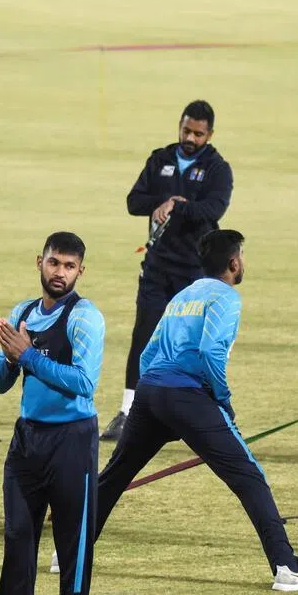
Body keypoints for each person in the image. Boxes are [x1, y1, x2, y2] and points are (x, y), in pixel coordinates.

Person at [93, 230, 298, 592]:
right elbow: (210, 352)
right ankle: (286, 566)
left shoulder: (182, 296)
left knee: (115, 474)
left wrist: (156, 406)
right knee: (248, 476)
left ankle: (68, 553)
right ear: (234, 262)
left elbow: (147, 353)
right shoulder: (226, 298)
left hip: (150, 390)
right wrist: (223, 401)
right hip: (187, 395)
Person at [0, 232, 104, 595]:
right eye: (54, 263)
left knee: (73, 547)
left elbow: (84, 383)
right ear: (39, 263)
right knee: (18, 542)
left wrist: (27, 354)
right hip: (27, 441)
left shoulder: (85, 319)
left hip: (72, 441)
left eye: (69, 266)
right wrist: (11, 358)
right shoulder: (23, 313)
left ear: (80, 271)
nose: (60, 273)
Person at [101, 100, 233, 440]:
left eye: (198, 133)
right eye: (186, 130)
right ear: (179, 125)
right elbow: (134, 201)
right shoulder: (159, 159)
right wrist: (158, 204)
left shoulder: (218, 169)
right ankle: (128, 412)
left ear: (210, 134)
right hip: (157, 267)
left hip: (194, 270)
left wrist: (178, 205)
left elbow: (214, 209)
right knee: (143, 336)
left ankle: (195, 416)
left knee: (188, 343)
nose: (191, 137)